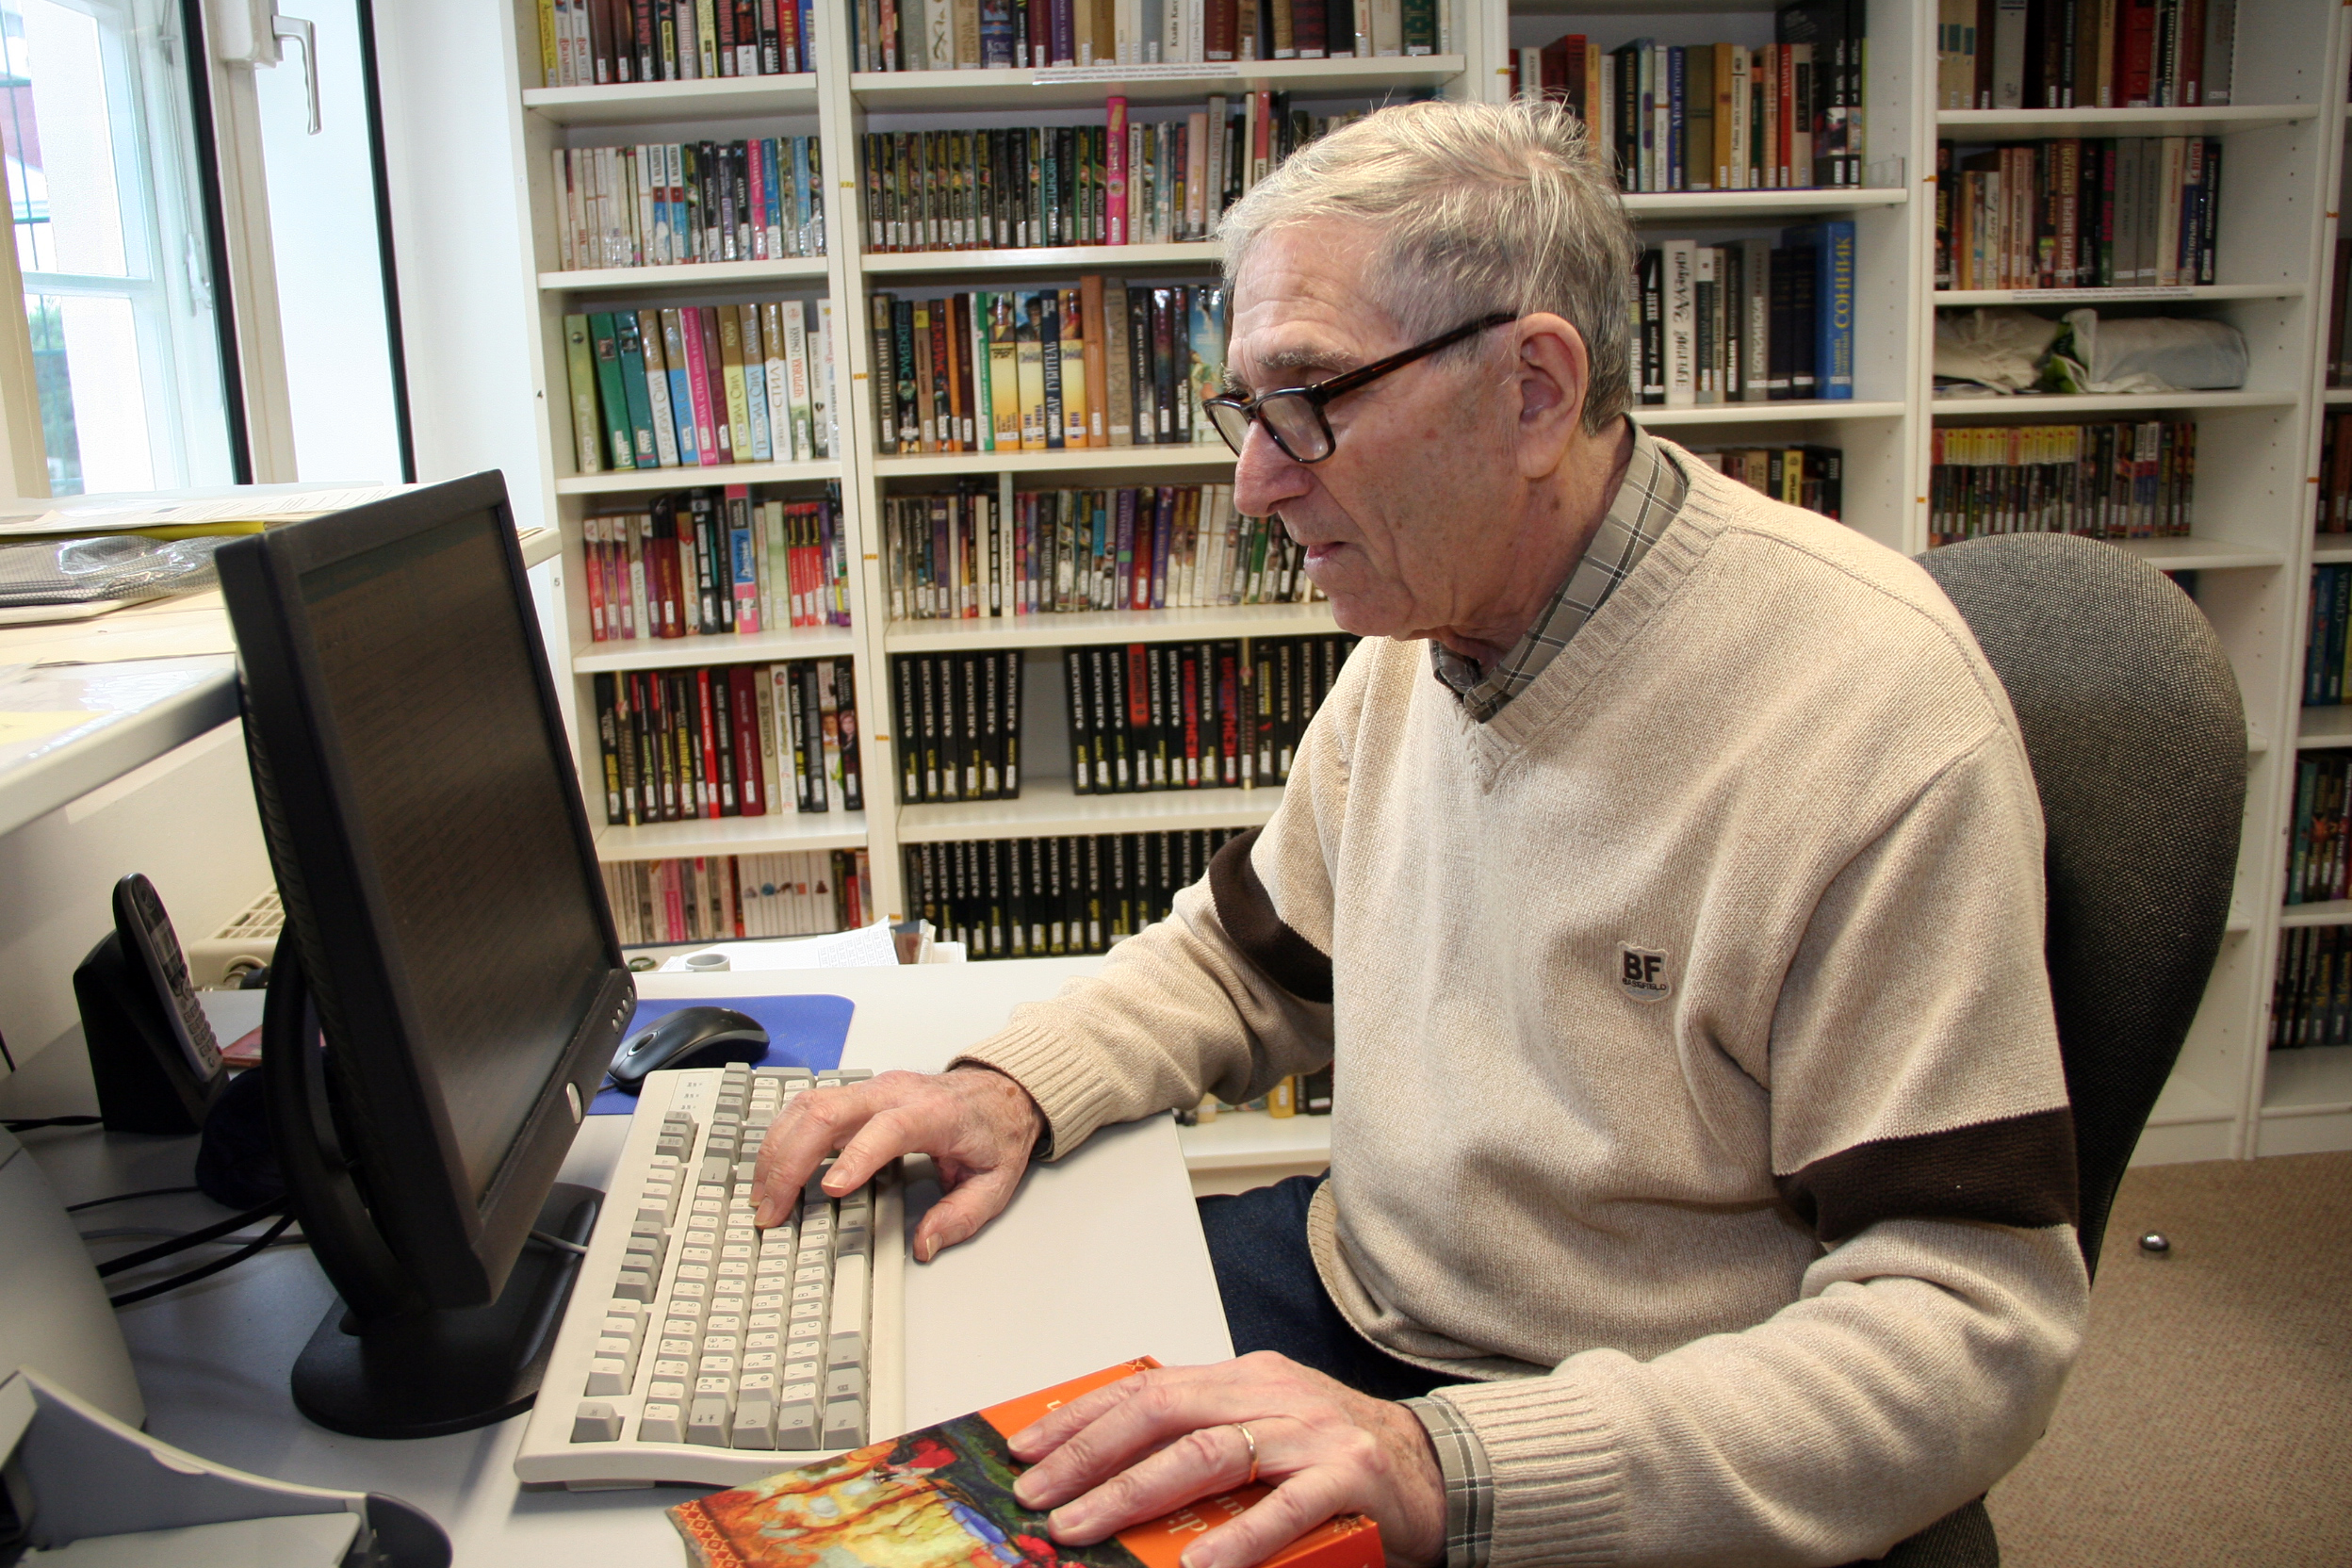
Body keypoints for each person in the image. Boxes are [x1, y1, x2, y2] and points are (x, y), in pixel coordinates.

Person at [754, 98, 2086, 1568]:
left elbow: (1971, 1322)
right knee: (908, 1426)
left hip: (1629, 1432)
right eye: (1247, 409)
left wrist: (1445, 1462)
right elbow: (1251, 962)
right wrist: (1012, 1088)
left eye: (1310, 397)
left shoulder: (1869, 715)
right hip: (1364, 1306)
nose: (1256, 479)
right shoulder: (1428, 620)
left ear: (1531, 391)